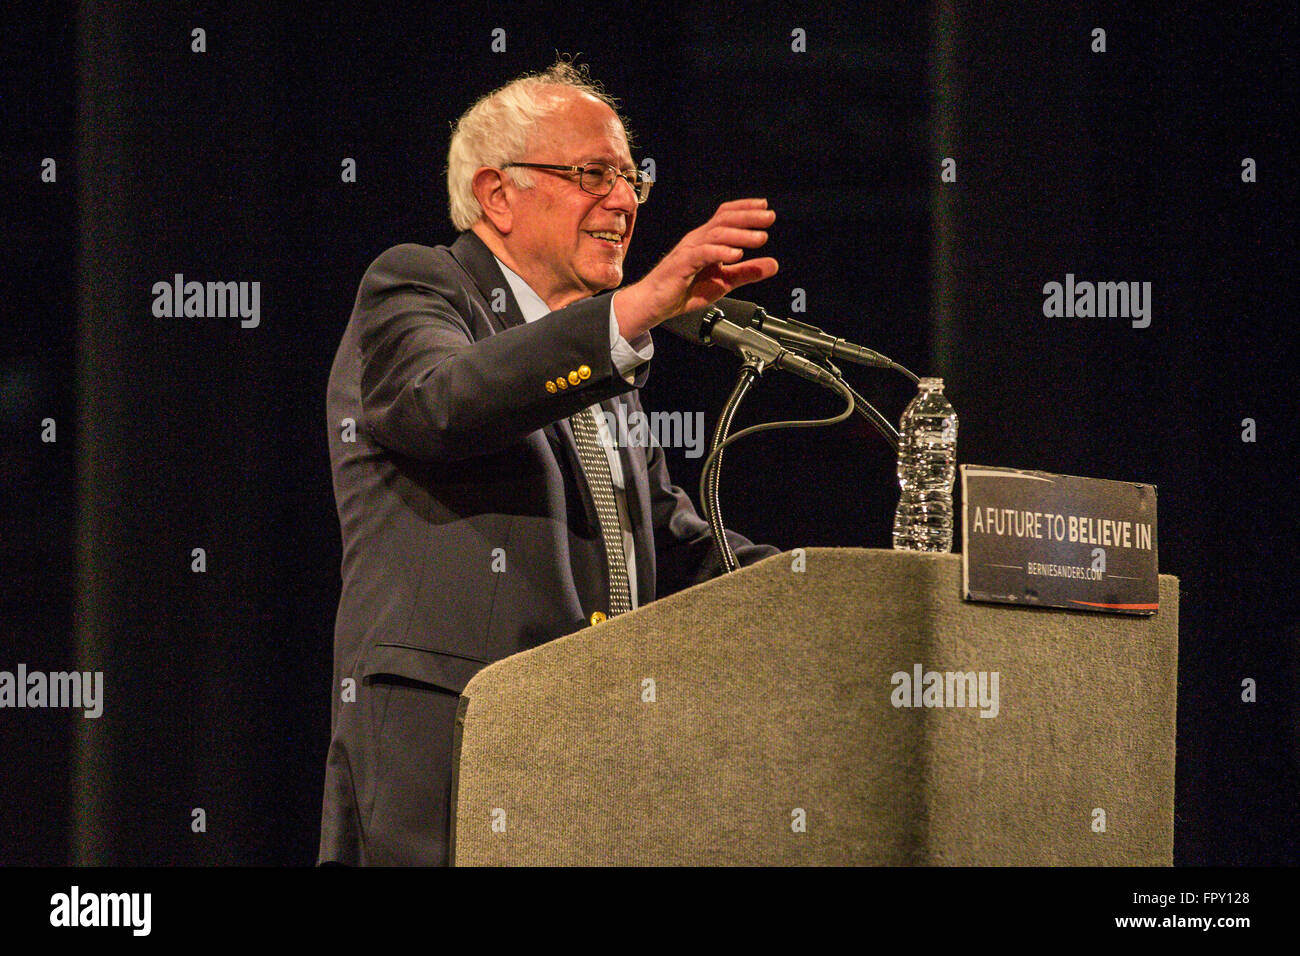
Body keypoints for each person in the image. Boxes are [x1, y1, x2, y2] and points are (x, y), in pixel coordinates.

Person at [318, 61, 780, 865]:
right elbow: (443, 403)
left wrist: (832, 587)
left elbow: (671, 549)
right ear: (498, 195)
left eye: (630, 178)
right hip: (453, 748)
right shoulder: (418, 284)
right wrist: (633, 310)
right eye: (592, 174)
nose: (626, 202)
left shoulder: (598, 359)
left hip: (586, 765)